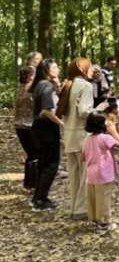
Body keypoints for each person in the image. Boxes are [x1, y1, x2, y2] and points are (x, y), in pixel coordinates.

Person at [57, 57, 95, 220]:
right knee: (85, 174)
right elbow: (84, 111)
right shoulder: (85, 86)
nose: (92, 70)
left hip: (69, 135)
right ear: (83, 69)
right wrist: (97, 111)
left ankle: (74, 207)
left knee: (74, 175)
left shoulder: (67, 85)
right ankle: (81, 209)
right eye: (90, 67)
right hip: (81, 136)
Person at [30, 58, 63, 211]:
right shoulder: (46, 86)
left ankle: (38, 198)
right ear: (46, 70)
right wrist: (62, 123)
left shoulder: (40, 85)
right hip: (46, 127)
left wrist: (57, 81)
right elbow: (46, 111)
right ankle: (41, 200)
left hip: (39, 127)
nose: (58, 69)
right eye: (55, 67)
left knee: (43, 162)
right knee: (51, 164)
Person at [82, 112, 119, 233]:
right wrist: (113, 131)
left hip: (91, 174)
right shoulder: (105, 138)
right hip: (104, 174)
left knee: (93, 198)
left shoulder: (87, 139)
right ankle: (104, 223)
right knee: (104, 198)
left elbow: (83, 157)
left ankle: (95, 220)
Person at [15, 66, 38, 190]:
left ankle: (28, 183)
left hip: (19, 126)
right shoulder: (31, 90)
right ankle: (34, 183)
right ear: (30, 76)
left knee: (31, 154)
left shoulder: (20, 89)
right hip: (29, 126)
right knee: (36, 154)